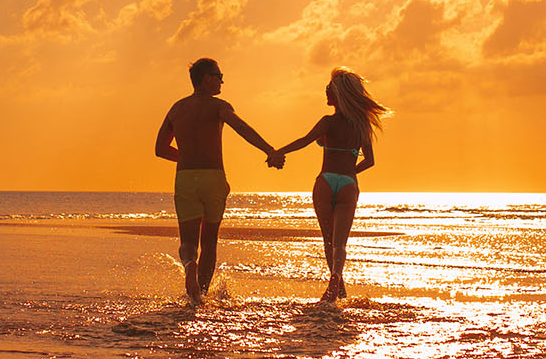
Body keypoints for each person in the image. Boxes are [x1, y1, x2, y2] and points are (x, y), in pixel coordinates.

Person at [155, 58, 285, 303]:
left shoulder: (176, 108)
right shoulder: (219, 106)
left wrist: (187, 156)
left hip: (184, 178)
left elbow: (160, 149)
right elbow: (241, 127)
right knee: (210, 240)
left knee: (188, 241)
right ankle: (201, 296)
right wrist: (269, 150)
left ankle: (190, 267)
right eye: (218, 75)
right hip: (213, 177)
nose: (222, 80)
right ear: (205, 78)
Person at [273, 67, 390, 302]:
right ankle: (338, 282)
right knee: (340, 243)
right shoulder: (361, 125)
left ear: (337, 95)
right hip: (348, 184)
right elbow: (370, 161)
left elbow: (304, 141)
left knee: (328, 239)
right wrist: (349, 172)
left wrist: (277, 152)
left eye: (329, 89)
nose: (325, 92)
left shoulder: (328, 122)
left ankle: (336, 284)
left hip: (325, 182)